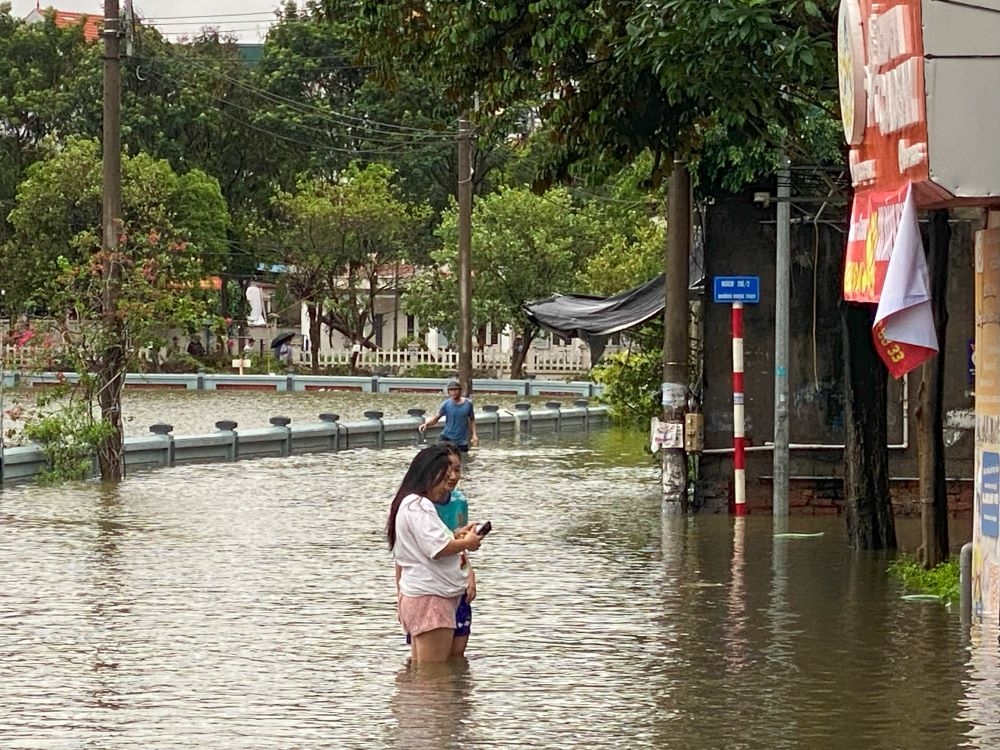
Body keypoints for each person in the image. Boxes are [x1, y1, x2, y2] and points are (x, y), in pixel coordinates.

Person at [388, 444, 485, 663]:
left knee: (425, 673)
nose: (452, 476)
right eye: (446, 469)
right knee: (434, 677)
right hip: (431, 598)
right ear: (428, 470)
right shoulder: (419, 505)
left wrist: (457, 536)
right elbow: (437, 548)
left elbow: (430, 543)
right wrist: (467, 543)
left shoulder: (413, 504)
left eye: (457, 469)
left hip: (426, 595)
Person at [418, 379, 478, 453]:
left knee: (463, 460)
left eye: (455, 390)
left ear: (460, 391)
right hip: (446, 437)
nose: (453, 392)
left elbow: (472, 420)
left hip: (461, 441)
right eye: (451, 390)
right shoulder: (446, 404)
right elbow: (436, 418)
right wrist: (426, 424)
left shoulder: (468, 404)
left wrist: (474, 435)